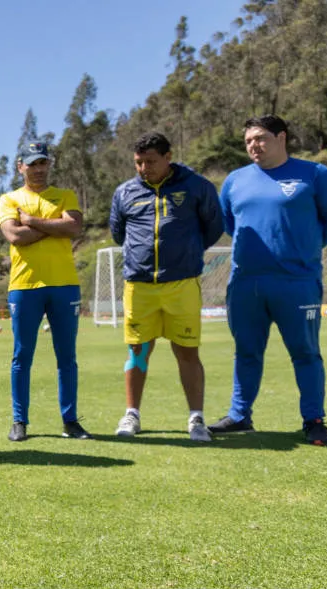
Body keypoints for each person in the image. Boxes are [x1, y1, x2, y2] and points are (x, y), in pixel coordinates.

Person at [209, 115, 327, 445]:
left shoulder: (315, 175)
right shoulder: (235, 181)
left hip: (297, 282)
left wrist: (303, 249)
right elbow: (230, 224)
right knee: (246, 352)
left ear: (281, 137)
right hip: (245, 283)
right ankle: (240, 416)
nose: (253, 145)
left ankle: (313, 419)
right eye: (248, 140)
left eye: (260, 138)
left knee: (306, 353)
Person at [109, 132, 224, 441]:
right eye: (138, 163)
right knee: (137, 352)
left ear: (168, 157)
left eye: (151, 162)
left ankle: (196, 418)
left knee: (187, 351)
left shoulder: (197, 187)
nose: (144, 168)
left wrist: (185, 252)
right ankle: (132, 415)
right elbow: (119, 234)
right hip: (140, 286)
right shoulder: (124, 192)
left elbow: (213, 226)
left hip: (182, 285)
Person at [0, 142, 88, 442]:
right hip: (25, 286)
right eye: (32, 163)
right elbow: (14, 235)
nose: (38, 169)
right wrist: (55, 225)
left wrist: (33, 222)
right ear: (20, 166)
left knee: (67, 357)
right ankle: (19, 421)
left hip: (64, 285)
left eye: (43, 163)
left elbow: (74, 228)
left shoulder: (65, 196)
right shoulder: (9, 199)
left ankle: (70, 421)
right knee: (22, 356)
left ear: (49, 164)